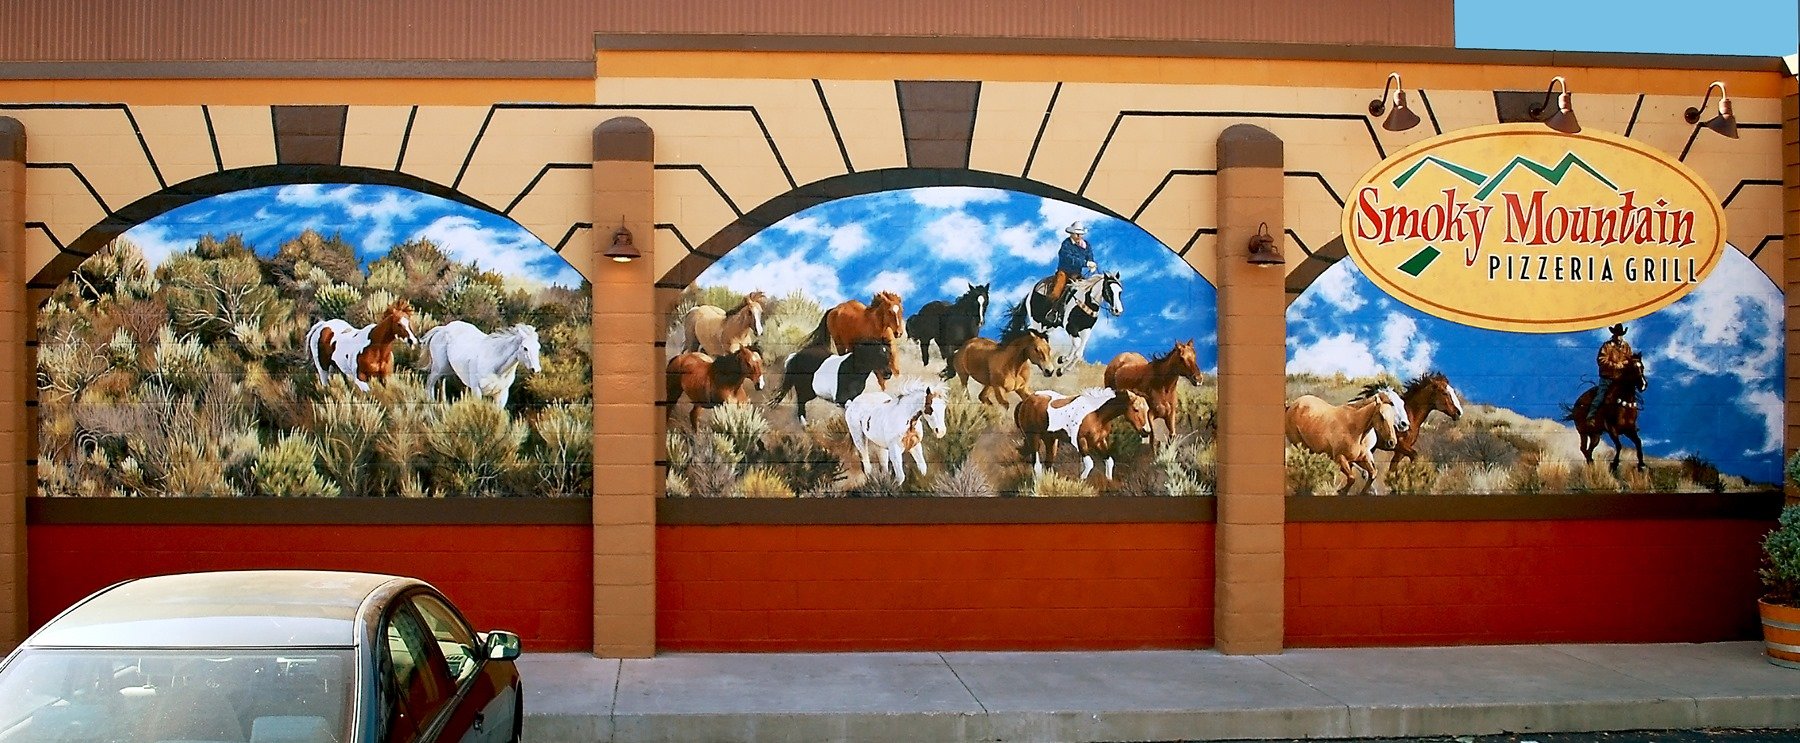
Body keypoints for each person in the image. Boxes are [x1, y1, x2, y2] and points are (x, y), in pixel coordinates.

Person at [1046, 221, 1097, 325]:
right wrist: (1086, 263)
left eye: (1080, 234)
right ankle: (1053, 311)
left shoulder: (1086, 245)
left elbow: (1089, 256)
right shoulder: (1066, 244)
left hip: (1076, 274)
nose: (1078, 236)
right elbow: (1068, 258)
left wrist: (1092, 263)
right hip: (1064, 272)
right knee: (1058, 290)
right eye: (1076, 234)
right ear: (1072, 234)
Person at [1588, 323, 1633, 425]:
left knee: (1630, 396)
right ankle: (1591, 416)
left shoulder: (1626, 346)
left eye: (1620, 335)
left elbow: (1630, 359)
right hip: (1607, 377)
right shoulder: (1607, 346)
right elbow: (1601, 360)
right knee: (1600, 396)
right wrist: (1615, 365)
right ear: (1613, 335)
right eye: (1617, 335)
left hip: (1620, 379)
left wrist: (1624, 364)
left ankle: (1629, 420)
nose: (1618, 337)